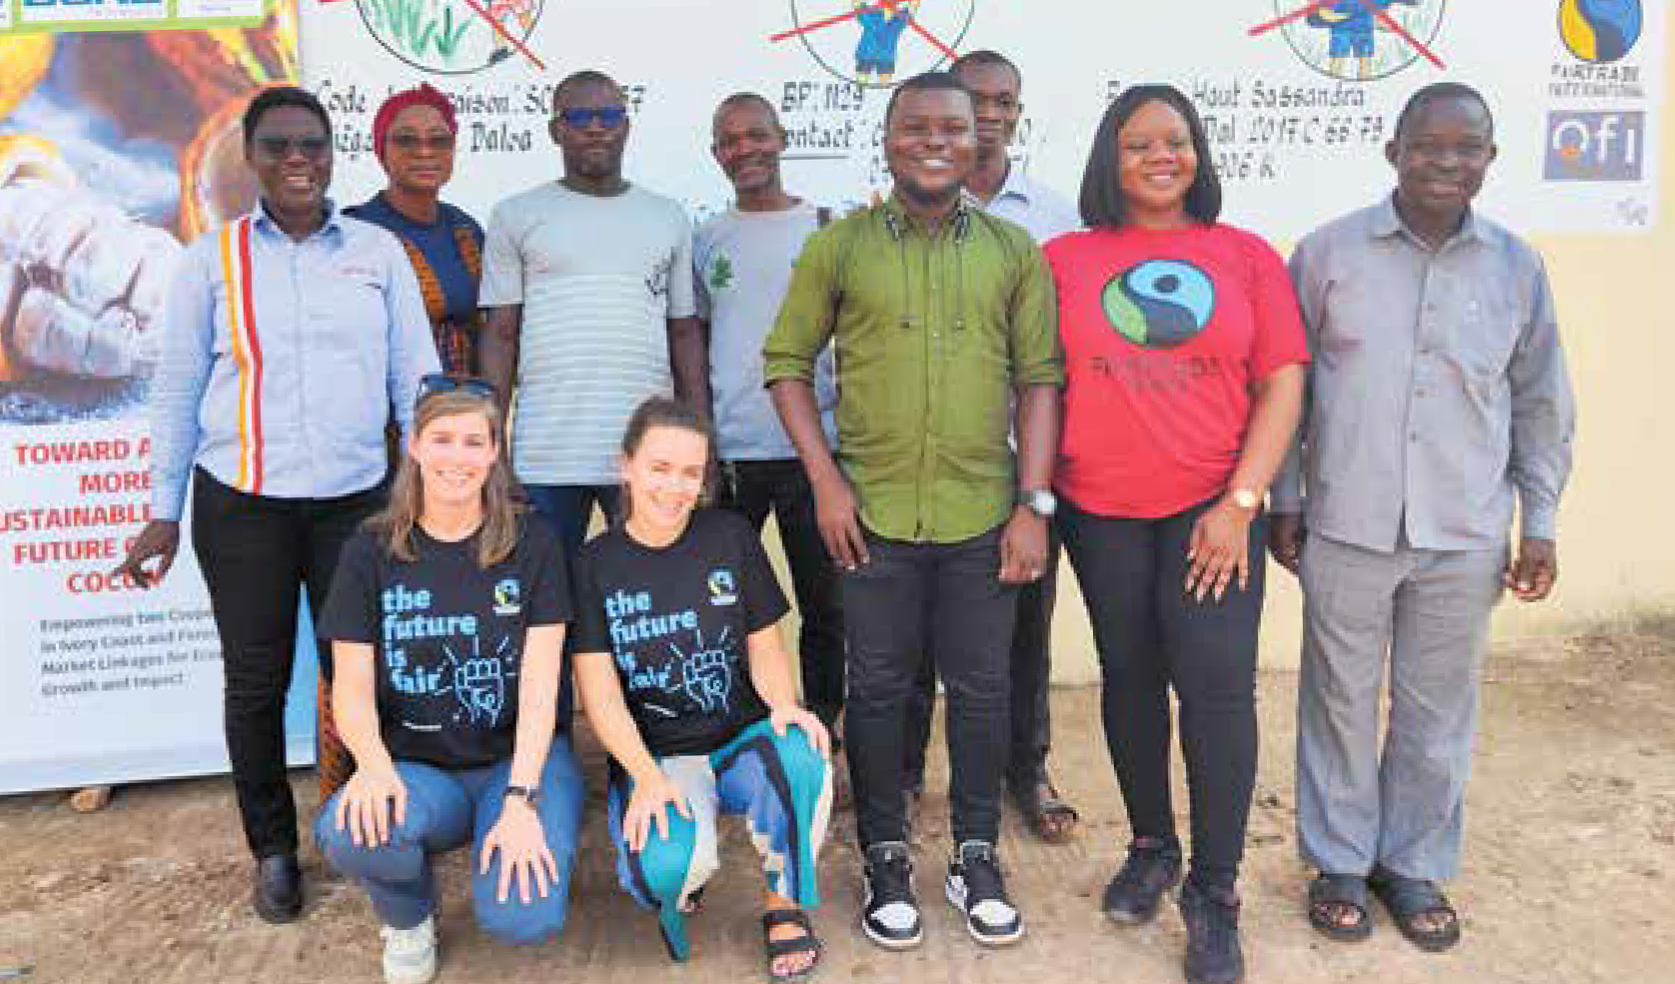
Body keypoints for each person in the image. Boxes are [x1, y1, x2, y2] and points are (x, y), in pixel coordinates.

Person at [113, 86, 439, 924]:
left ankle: (376, 830)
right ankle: (274, 851)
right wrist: (161, 509)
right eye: (279, 147)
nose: (298, 161)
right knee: (256, 685)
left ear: (333, 156)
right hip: (241, 508)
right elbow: (178, 389)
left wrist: (428, 491)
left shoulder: (376, 253)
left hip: (357, 509)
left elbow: (418, 381)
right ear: (250, 159)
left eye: (313, 145)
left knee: (363, 678)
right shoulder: (209, 259)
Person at [1272, 82, 1575, 954]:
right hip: (1345, 521)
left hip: (1466, 530)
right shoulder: (1327, 253)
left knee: (1436, 709)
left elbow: (1539, 401)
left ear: (1489, 159)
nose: (1447, 162)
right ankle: (1336, 860)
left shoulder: (1517, 267)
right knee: (1335, 697)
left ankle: (1409, 864)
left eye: (1466, 148)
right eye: (1428, 145)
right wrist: (1285, 500)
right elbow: (1287, 393)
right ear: (1392, 150)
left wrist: (1540, 520)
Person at [766, 72, 1063, 951]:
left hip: (981, 514)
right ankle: (886, 854)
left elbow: (1039, 380)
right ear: (888, 138)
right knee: (879, 688)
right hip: (873, 517)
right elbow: (786, 363)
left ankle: (976, 854)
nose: (933, 141)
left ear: (978, 142)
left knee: (980, 691)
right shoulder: (840, 247)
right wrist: (824, 480)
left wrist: (1033, 505)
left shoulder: (1014, 251)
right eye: (915, 126)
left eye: (953, 128)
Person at [1045, 84, 1307, 984]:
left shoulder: (1243, 256)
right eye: (1137, 144)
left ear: (1198, 153)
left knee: (1217, 692)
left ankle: (1216, 891)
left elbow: (1281, 384)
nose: (1161, 156)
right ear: (1106, 162)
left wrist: (1240, 503)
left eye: (1177, 140)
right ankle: (1153, 846)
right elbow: (1035, 385)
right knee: (1129, 679)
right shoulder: (1064, 259)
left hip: (1213, 515)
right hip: (1099, 511)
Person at [314, 378, 583, 984]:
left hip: (516, 760)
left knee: (523, 916)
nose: (456, 457)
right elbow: (350, 687)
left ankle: (502, 822)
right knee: (354, 832)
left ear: (494, 452)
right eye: (441, 439)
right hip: (417, 767)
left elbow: (542, 687)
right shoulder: (371, 549)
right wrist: (374, 768)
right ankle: (408, 917)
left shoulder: (534, 543)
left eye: (472, 442)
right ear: (414, 445)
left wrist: (520, 800)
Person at [571, 397, 831, 982]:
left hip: (737, 739)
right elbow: (600, 694)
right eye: (659, 468)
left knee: (803, 753)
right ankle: (689, 863)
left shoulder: (731, 537)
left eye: (691, 473)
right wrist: (644, 776)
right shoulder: (592, 564)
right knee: (660, 872)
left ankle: (782, 904)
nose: (675, 487)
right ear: (626, 467)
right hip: (662, 754)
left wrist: (785, 707)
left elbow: (764, 644)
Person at [898, 48, 1083, 843]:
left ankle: (1025, 769)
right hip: (921, 464)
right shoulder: (901, 208)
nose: (994, 113)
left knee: (1022, 632)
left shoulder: (1052, 216)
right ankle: (902, 774)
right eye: (978, 101)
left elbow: (1058, 352)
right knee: (908, 636)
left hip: (1024, 461)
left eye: (1006, 100)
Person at [479, 69, 705, 559]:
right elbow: (500, 335)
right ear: (556, 130)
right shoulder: (515, 214)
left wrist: (701, 434)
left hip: (648, 453)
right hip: (547, 456)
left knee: (646, 599)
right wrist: (492, 445)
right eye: (580, 116)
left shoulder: (667, 216)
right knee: (545, 604)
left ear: (627, 126)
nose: (596, 127)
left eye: (609, 116)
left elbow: (684, 333)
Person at [694, 92, 845, 735]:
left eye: (757, 134)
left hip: (818, 452)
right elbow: (697, 339)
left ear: (781, 139)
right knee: (725, 605)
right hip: (734, 454)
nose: (745, 149)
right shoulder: (707, 239)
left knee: (826, 603)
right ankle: (740, 724)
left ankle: (827, 721)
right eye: (730, 141)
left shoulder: (828, 228)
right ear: (716, 155)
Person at [346, 84, 486, 375]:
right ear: (381, 150)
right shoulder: (356, 231)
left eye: (439, 140)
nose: (424, 151)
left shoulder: (466, 230)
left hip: (463, 407)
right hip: (380, 410)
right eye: (406, 140)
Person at [852, 1, 919, 85]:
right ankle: (864, 80)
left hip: (885, 55)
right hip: (868, 53)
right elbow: (861, 14)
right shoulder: (872, 15)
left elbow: (908, 15)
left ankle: (877, 81)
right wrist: (859, 5)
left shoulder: (898, 19)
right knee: (863, 75)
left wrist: (912, 6)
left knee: (884, 78)